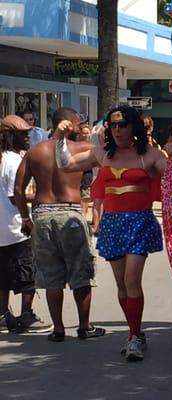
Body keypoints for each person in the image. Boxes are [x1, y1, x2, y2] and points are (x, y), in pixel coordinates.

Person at [50, 105, 172, 361]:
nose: (118, 130)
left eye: (122, 125)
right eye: (113, 125)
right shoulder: (102, 154)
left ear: (133, 126)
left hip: (140, 224)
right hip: (112, 225)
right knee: (122, 284)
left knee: (132, 280)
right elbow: (65, 164)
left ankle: (134, 336)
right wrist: (59, 138)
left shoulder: (151, 154)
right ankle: (136, 331)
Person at [14, 108, 105, 343]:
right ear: (68, 124)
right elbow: (107, 155)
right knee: (80, 272)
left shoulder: (35, 151)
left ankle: (58, 329)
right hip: (71, 213)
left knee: (52, 276)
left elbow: (18, 190)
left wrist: (25, 218)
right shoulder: (81, 149)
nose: (80, 127)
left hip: (42, 214)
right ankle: (84, 326)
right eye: (78, 123)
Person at [0, 115, 52, 333]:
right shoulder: (14, 161)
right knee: (28, 272)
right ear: (11, 137)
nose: (28, 137)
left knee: (2, 276)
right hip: (15, 228)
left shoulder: (4, 159)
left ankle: (3, 316)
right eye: (23, 134)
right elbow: (16, 195)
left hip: (2, 230)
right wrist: (27, 216)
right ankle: (26, 316)